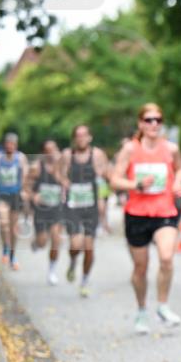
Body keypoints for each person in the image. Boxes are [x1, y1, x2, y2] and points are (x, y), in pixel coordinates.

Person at [111, 104, 181, 333]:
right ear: (140, 123)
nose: (154, 124)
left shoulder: (171, 149)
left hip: (165, 212)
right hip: (136, 213)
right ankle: (142, 310)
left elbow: (180, 169)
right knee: (140, 268)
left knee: (166, 258)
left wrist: (177, 182)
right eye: (149, 120)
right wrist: (137, 184)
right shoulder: (130, 149)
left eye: (158, 120)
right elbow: (115, 180)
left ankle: (162, 306)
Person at [59, 125, 111, 297]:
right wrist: (65, 182)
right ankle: (73, 260)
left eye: (84, 135)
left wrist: (103, 175)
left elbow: (107, 175)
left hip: (91, 206)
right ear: (74, 138)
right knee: (75, 245)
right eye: (78, 135)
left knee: (89, 247)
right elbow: (59, 174)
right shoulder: (68, 155)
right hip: (73, 206)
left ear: (90, 137)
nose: (81, 138)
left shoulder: (97, 154)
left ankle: (84, 281)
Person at [0, 133, 29, 269]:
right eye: (8, 143)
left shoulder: (21, 158)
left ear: (16, 145)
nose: (10, 146)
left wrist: (24, 190)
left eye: (12, 144)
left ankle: (12, 255)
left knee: (13, 228)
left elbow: (25, 175)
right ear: (4, 144)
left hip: (15, 195)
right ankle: (5, 246)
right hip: (2, 195)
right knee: (4, 222)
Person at [27, 139, 65, 285]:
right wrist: (33, 195)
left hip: (57, 208)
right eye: (48, 150)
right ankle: (36, 243)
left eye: (54, 149)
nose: (52, 152)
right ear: (43, 153)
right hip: (41, 209)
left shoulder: (63, 166)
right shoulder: (36, 167)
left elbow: (69, 183)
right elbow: (26, 187)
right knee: (43, 242)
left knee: (56, 240)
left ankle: (52, 271)